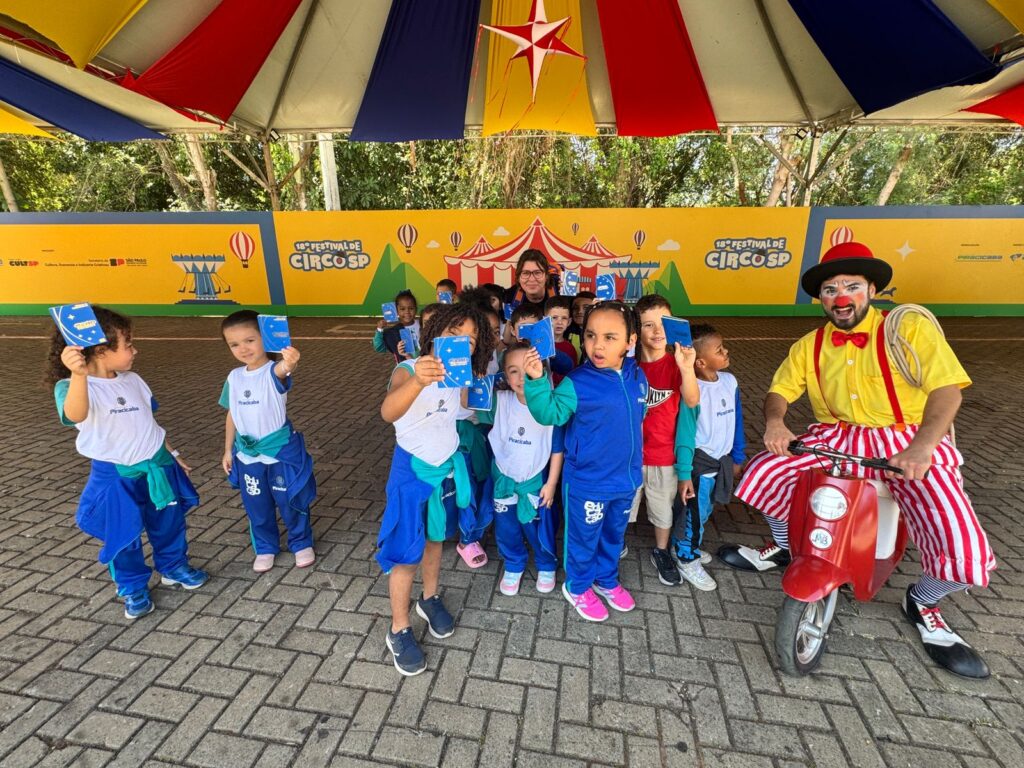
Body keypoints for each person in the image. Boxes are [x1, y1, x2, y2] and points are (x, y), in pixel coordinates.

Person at [718, 241, 995, 679]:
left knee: (962, 543)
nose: (840, 297)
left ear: (871, 290)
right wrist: (775, 423)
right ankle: (785, 549)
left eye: (851, 286)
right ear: (821, 298)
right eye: (830, 289)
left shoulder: (907, 331)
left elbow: (947, 390)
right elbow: (780, 391)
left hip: (905, 440)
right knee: (762, 473)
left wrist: (923, 446)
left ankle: (923, 601)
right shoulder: (810, 344)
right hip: (836, 436)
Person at [48, 306, 207, 620]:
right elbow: (76, 415)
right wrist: (79, 374)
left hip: (158, 466)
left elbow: (149, 422)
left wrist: (172, 454)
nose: (135, 350)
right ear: (102, 350)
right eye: (128, 344)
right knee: (123, 534)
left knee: (169, 523)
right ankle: (132, 585)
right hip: (115, 476)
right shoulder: (70, 387)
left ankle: (173, 567)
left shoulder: (133, 379)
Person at [378, 302, 497, 675]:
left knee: (435, 541)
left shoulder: (458, 375)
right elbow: (388, 411)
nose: (462, 342)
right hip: (412, 475)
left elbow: (461, 409)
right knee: (405, 553)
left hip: (445, 469)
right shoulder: (409, 369)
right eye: (453, 333)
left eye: (471, 339)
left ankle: (429, 599)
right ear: (434, 333)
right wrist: (418, 380)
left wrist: (481, 391)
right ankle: (398, 628)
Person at [524, 301, 647, 622]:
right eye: (591, 336)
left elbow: (637, 419)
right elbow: (548, 413)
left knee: (613, 535)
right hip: (587, 483)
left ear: (630, 341)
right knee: (583, 538)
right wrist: (537, 381)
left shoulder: (638, 376)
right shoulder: (577, 382)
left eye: (610, 337)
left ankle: (606, 580)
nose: (597, 345)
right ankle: (577, 586)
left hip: (626, 480)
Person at [220, 311, 317, 573]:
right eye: (234, 344)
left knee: (290, 500)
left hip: (279, 453)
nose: (243, 348)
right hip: (247, 456)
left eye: (250, 340)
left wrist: (291, 361)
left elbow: (285, 369)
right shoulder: (234, 377)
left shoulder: (273, 371)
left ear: (265, 338)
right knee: (257, 505)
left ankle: (301, 542)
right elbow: (232, 413)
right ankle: (265, 547)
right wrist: (228, 449)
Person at [479, 342, 564, 595]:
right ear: (504, 374)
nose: (521, 377)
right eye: (513, 371)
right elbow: (468, 405)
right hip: (504, 478)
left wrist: (551, 484)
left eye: (528, 369)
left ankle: (546, 563)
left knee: (538, 528)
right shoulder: (500, 401)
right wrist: (477, 382)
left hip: (535, 480)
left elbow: (557, 449)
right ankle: (514, 563)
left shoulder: (550, 405)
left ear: (542, 371)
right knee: (506, 528)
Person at [629, 295, 699, 587]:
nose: (658, 332)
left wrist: (686, 367)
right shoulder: (628, 367)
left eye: (663, 324)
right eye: (648, 325)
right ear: (636, 331)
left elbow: (692, 401)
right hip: (629, 457)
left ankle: (661, 551)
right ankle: (613, 545)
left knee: (662, 512)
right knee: (623, 508)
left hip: (662, 458)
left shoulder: (676, 365)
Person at [672, 323, 745, 591]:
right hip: (699, 466)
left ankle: (687, 543)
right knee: (692, 513)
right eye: (719, 349)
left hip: (721, 462)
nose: (726, 352)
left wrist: (737, 456)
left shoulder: (730, 381)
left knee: (704, 511)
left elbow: (737, 420)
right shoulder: (692, 390)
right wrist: (684, 473)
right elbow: (686, 433)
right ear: (700, 362)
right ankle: (685, 557)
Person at [502, 250, 558, 345]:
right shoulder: (510, 297)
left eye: (537, 273)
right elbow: (506, 340)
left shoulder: (560, 291)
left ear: (547, 276)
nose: (532, 279)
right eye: (526, 273)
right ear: (518, 277)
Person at [374, 290, 420, 362]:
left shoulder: (423, 325)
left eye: (411, 308)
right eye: (402, 309)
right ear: (396, 311)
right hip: (405, 369)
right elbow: (379, 347)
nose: (407, 312)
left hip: (424, 366)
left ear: (416, 309)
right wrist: (379, 329)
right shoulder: (393, 332)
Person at [545, 296, 578, 385]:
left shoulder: (570, 348)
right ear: (545, 320)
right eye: (554, 317)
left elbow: (572, 376)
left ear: (569, 322)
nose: (559, 322)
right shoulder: (540, 344)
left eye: (564, 318)